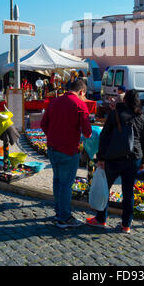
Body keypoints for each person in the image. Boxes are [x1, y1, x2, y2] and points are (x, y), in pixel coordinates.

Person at [86, 89, 144, 233]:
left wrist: (101, 157)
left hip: (114, 158)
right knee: (128, 192)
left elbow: (104, 137)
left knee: (105, 187)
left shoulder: (115, 114)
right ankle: (126, 225)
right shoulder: (141, 117)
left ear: (124, 100)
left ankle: (101, 219)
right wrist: (143, 161)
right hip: (134, 158)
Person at [41, 78, 92, 228]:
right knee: (65, 184)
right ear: (81, 92)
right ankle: (64, 217)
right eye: (84, 94)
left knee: (57, 181)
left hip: (52, 148)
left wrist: (53, 135)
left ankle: (59, 212)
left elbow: (44, 124)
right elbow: (88, 132)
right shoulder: (80, 104)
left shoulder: (55, 101)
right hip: (68, 150)